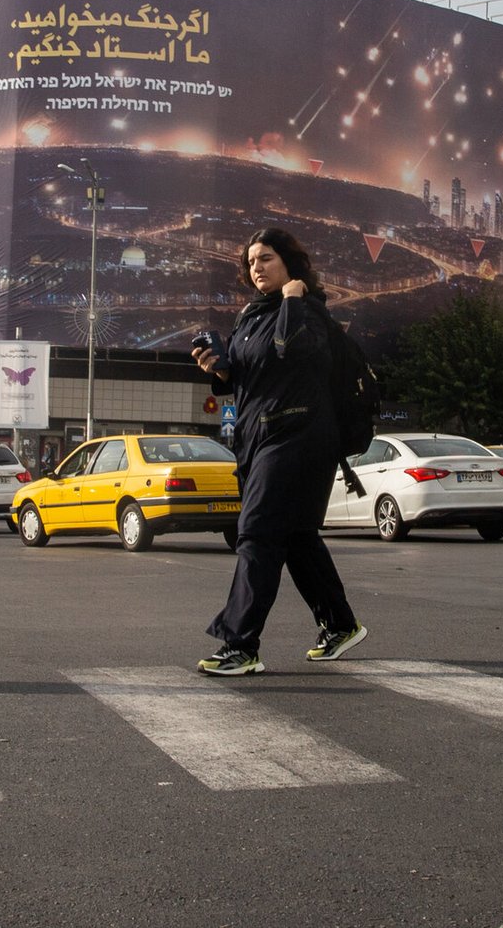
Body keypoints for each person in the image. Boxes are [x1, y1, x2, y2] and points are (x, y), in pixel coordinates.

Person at [194, 228, 366, 677]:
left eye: (266, 258)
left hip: (298, 434)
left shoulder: (308, 311)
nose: (257, 267)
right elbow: (252, 376)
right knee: (296, 538)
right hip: (259, 437)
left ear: (290, 263)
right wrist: (220, 370)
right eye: (251, 261)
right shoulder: (251, 315)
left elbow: (291, 349)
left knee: (257, 532)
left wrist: (293, 300)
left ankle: (240, 644)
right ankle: (340, 624)